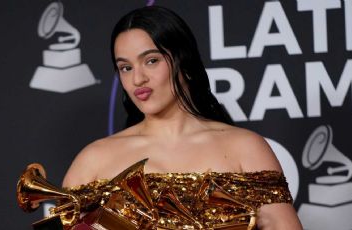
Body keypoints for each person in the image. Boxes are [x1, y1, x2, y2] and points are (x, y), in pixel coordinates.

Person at [62, 5, 302, 229]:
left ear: (184, 63)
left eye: (151, 61)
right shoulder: (93, 161)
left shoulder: (245, 147)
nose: (138, 79)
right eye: (126, 67)